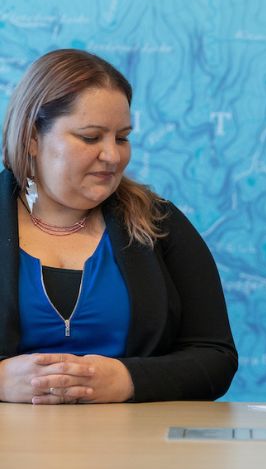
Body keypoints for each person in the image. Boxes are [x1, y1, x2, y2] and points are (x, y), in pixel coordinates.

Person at [0, 49, 236, 402]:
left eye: (122, 138)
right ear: (33, 138)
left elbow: (215, 357)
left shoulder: (159, 223)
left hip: (136, 449)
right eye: (91, 137)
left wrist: (127, 379)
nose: (113, 156)